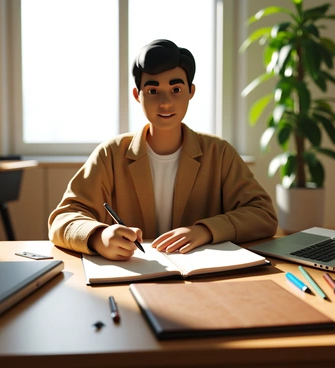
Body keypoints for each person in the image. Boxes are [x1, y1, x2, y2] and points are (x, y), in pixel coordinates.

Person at [48, 39, 278, 261]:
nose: (165, 102)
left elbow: (263, 214)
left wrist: (205, 231)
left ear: (191, 91)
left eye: (176, 89)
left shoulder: (219, 153)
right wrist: (99, 236)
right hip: (134, 276)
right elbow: (63, 218)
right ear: (137, 95)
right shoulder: (110, 154)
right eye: (153, 91)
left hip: (202, 281)